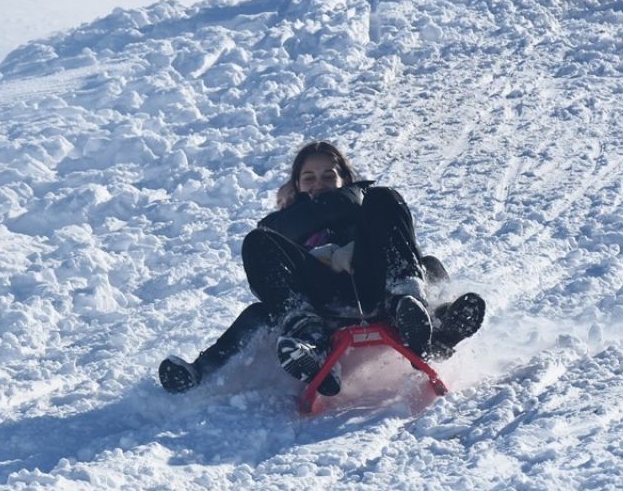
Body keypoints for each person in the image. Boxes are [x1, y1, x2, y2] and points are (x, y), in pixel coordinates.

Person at [158, 140, 485, 395]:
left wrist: (306, 211)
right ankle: (298, 340)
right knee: (257, 245)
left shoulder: (366, 202)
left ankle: (424, 318)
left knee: (419, 251)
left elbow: (362, 213)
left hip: (377, 289)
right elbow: (279, 243)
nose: (320, 184)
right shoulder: (279, 225)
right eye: (309, 178)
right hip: (320, 300)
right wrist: (295, 214)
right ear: (296, 185)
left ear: (346, 178)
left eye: (330, 176)